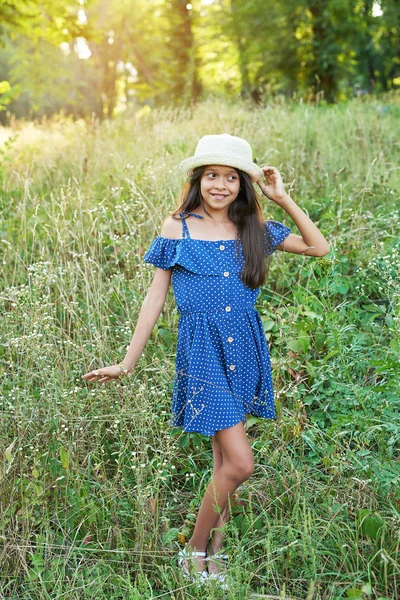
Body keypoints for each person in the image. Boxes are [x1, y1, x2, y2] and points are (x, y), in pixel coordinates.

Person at [82, 133, 330, 589]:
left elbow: (319, 247)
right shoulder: (179, 225)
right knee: (241, 464)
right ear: (199, 179)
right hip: (203, 352)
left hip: (245, 347)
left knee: (224, 465)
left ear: (243, 185)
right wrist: (126, 362)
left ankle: (212, 556)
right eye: (212, 175)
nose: (220, 185)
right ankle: (194, 552)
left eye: (231, 177)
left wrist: (283, 197)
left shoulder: (252, 228)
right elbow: (155, 298)